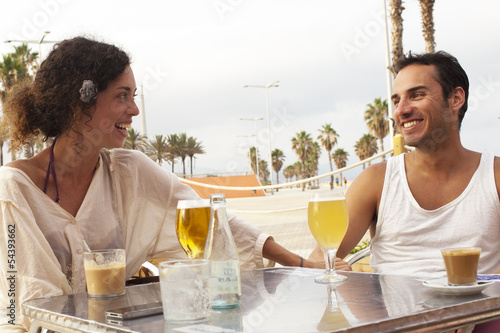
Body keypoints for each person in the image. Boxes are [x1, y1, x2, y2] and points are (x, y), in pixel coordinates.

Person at [0, 36, 349, 332]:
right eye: (122, 96)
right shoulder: (12, 190)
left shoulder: (130, 172)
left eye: (134, 96)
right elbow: (26, 301)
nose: (134, 110)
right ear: (80, 102)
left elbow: (215, 223)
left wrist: (301, 264)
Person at [313, 51, 500, 332]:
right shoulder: (375, 181)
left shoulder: (494, 177)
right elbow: (320, 257)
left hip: (477, 323)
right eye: (397, 100)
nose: (400, 110)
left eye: (416, 95)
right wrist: (336, 272)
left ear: (456, 99)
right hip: (394, 324)